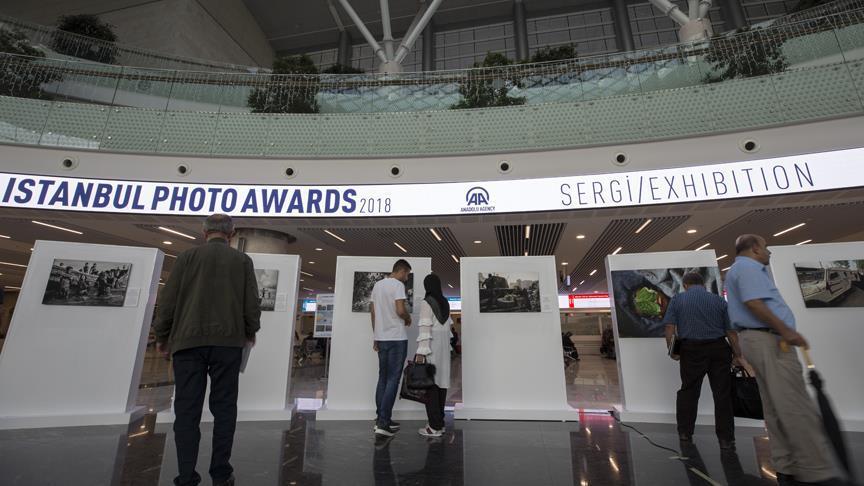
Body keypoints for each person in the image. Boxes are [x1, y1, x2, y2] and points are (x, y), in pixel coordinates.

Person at [725, 234, 843, 486]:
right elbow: (754, 303)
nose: (769, 252)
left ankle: (786, 464)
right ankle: (815, 469)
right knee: (793, 404)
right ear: (755, 248)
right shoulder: (748, 268)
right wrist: (786, 330)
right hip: (769, 340)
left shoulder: (740, 269)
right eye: (766, 247)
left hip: (759, 340)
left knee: (776, 405)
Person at [154, 214, 261, 486]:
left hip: (188, 343)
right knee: (224, 408)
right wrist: (250, 331)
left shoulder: (186, 258)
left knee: (186, 410)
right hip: (228, 343)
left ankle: (186, 476)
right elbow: (251, 303)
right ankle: (221, 473)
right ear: (231, 234)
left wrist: (162, 335)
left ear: (204, 233)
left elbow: (168, 301)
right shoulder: (242, 261)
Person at [663, 272, 751, 449]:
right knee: (722, 394)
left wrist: (673, 351)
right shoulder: (719, 301)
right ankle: (726, 439)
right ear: (703, 285)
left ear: (685, 285)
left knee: (689, 391)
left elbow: (670, 327)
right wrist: (738, 355)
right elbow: (731, 332)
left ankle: (685, 433)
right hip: (718, 349)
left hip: (691, 351)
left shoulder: (678, 300)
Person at [370, 259, 412, 437]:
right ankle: (383, 422)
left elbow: (373, 313)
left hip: (381, 337)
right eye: (407, 274)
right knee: (393, 379)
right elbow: (400, 310)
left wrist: (376, 335)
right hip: (396, 338)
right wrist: (408, 318)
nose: (407, 278)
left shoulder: (377, 285)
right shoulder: (398, 285)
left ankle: (381, 419)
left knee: (383, 378)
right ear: (401, 271)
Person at [415, 273, 452, 437]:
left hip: (431, 347)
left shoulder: (427, 302)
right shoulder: (445, 302)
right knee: (441, 385)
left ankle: (434, 427)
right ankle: (439, 423)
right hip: (444, 348)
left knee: (430, 386)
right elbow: (448, 329)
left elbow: (425, 328)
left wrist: (421, 352)